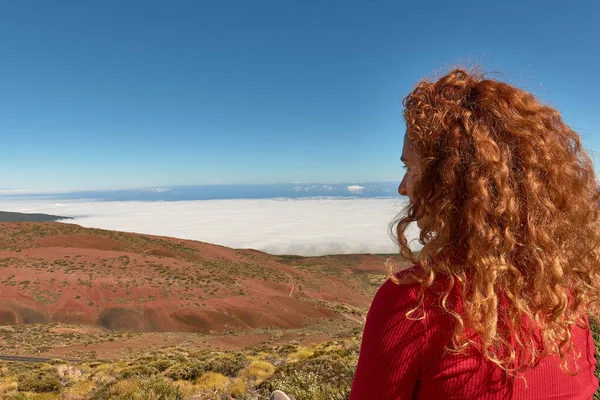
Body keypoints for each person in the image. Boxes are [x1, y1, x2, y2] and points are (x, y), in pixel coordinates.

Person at [349, 68, 600, 399]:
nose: (402, 188)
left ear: (451, 181)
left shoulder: (411, 307)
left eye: (410, 168)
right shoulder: (564, 300)